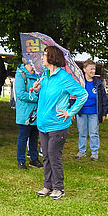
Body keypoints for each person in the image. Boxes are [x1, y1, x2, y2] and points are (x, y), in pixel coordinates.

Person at [34, 46, 87, 200]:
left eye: (44, 55)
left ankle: (58, 188)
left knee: (53, 156)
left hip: (58, 125)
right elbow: (44, 96)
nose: (42, 58)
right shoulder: (44, 76)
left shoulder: (64, 78)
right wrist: (37, 89)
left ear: (52, 58)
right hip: (43, 124)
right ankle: (47, 186)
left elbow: (83, 94)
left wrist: (70, 112)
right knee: (46, 156)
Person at [74, 59, 108, 161]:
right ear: (84, 70)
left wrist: (104, 113)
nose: (93, 71)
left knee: (94, 133)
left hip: (94, 112)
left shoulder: (98, 83)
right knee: (82, 132)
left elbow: (104, 98)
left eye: (94, 69)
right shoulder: (80, 82)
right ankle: (81, 151)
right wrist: (72, 110)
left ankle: (94, 153)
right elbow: (73, 96)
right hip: (81, 112)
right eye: (91, 69)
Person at [14, 58, 42, 170]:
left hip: (36, 111)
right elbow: (20, 94)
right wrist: (35, 97)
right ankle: (21, 160)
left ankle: (34, 159)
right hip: (25, 112)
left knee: (34, 136)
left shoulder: (39, 75)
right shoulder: (21, 75)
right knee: (23, 137)